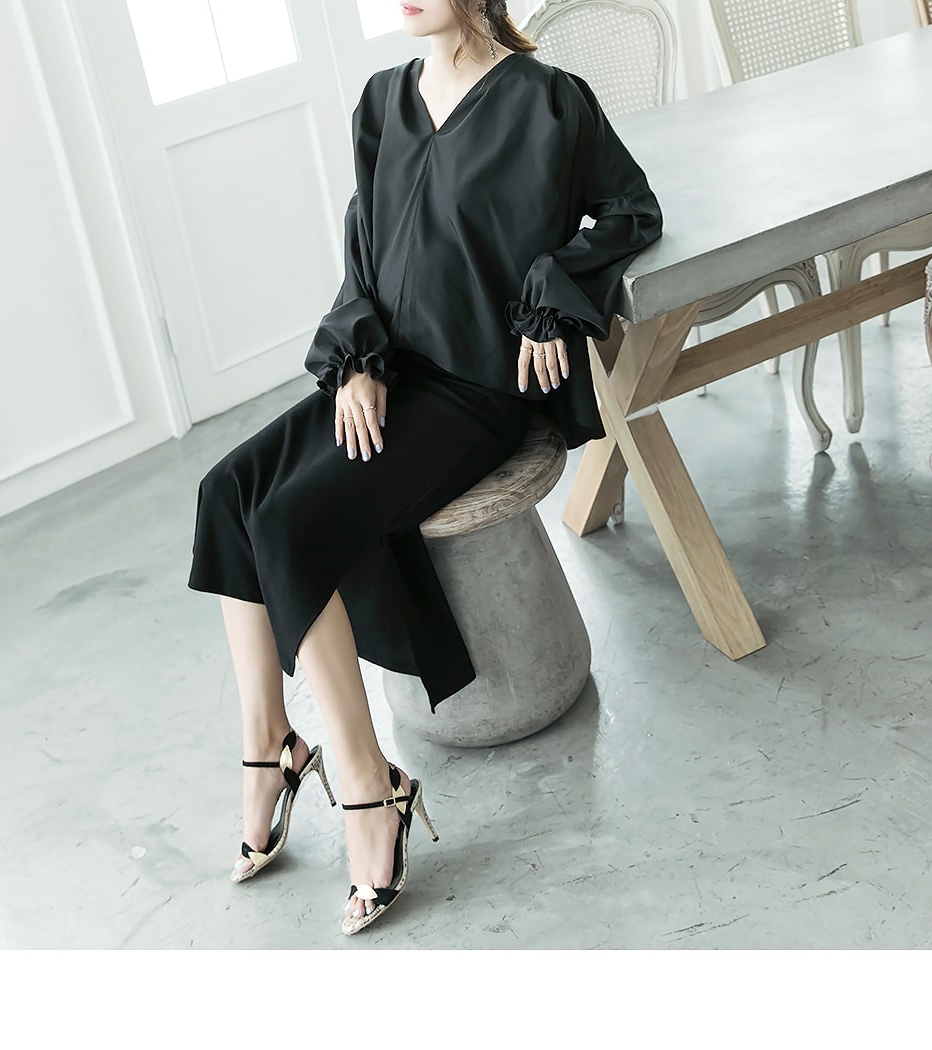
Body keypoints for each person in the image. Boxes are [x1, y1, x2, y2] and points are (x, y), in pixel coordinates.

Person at [186, 0, 662, 936]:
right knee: (226, 490)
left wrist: (552, 293)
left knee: (289, 522)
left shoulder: (548, 101)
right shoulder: (382, 100)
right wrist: (357, 360)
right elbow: (364, 253)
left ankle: (371, 789)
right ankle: (270, 744)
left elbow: (630, 210)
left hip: (475, 389)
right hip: (390, 373)